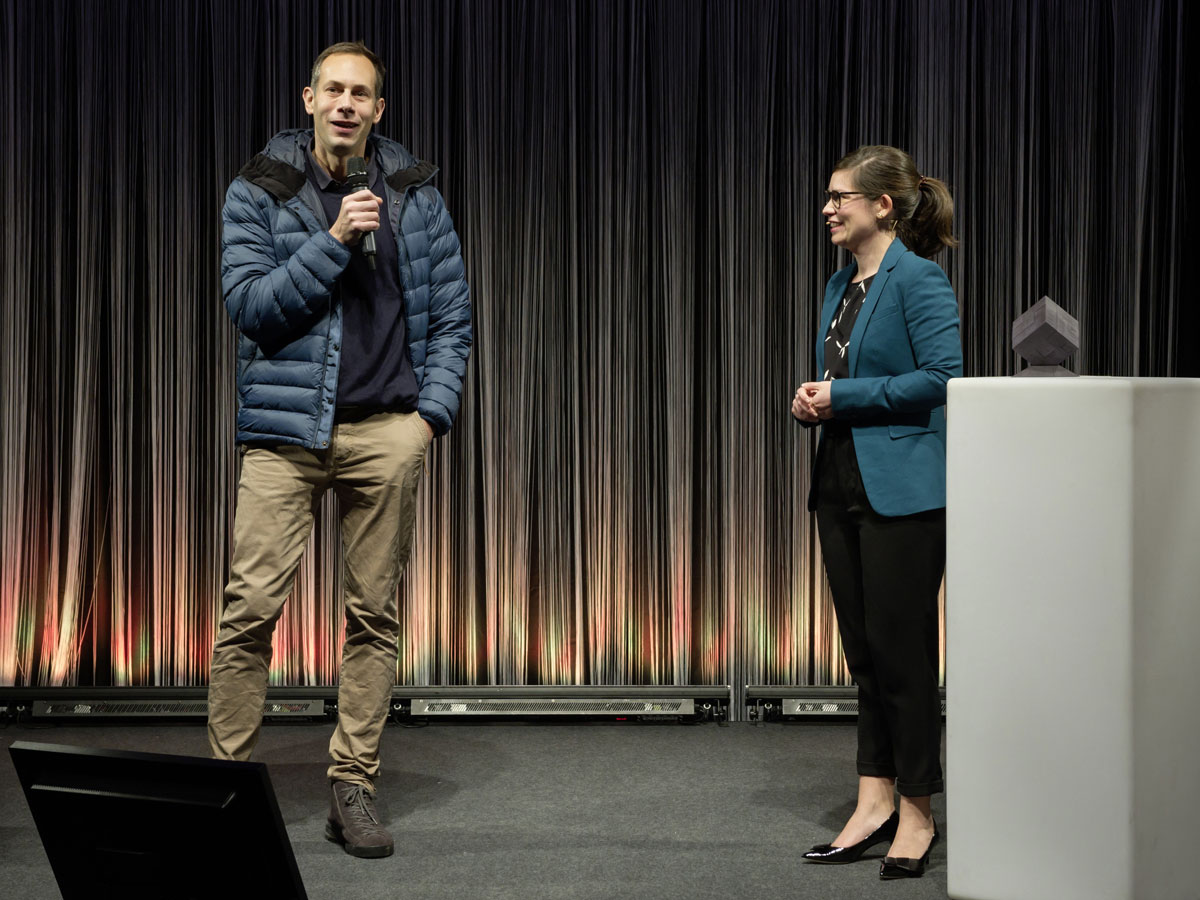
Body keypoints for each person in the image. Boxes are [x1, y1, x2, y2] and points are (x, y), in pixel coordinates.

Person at [207, 41, 471, 859]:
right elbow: (251, 306)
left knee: (373, 617)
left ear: (378, 110)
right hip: (284, 438)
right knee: (249, 611)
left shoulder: (413, 193)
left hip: (386, 430)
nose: (348, 104)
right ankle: (229, 789)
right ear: (309, 98)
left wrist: (427, 418)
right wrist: (329, 239)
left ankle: (352, 786)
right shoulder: (262, 186)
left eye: (362, 94)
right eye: (334, 90)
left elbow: (453, 316)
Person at [792, 145, 961, 880]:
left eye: (841, 197)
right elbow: (844, 376)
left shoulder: (919, 280)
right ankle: (872, 799)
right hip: (840, 479)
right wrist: (812, 402)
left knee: (904, 657)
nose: (829, 208)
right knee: (864, 656)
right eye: (829, 198)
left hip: (903, 491)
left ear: (881, 206)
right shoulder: (840, 284)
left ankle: (919, 810)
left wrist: (847, 399)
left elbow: (943, 378)